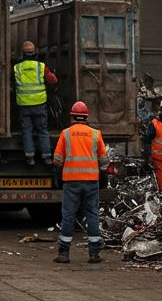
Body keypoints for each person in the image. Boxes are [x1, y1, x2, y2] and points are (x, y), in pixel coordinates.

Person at [52, 100, 108, 264]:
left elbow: (57, 160)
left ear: (72, 117)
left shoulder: (66, 134)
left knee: (68, 215)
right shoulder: (96, 134)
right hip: (91, 182)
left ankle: (63, 254)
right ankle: (94, 254)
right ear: (86, 117)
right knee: (92, 215)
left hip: (71, 182)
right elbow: (104, 161)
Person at [13, 40, 58, 166]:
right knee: (42, 130)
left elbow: (12, 84)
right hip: (39, 104)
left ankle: (30, 157)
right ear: (35, 52)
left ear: (23, 54)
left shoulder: (17, 68)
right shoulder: (41, 67)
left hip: (24, 105)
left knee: (27, 131)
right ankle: (47, 157)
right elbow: (53, 81)